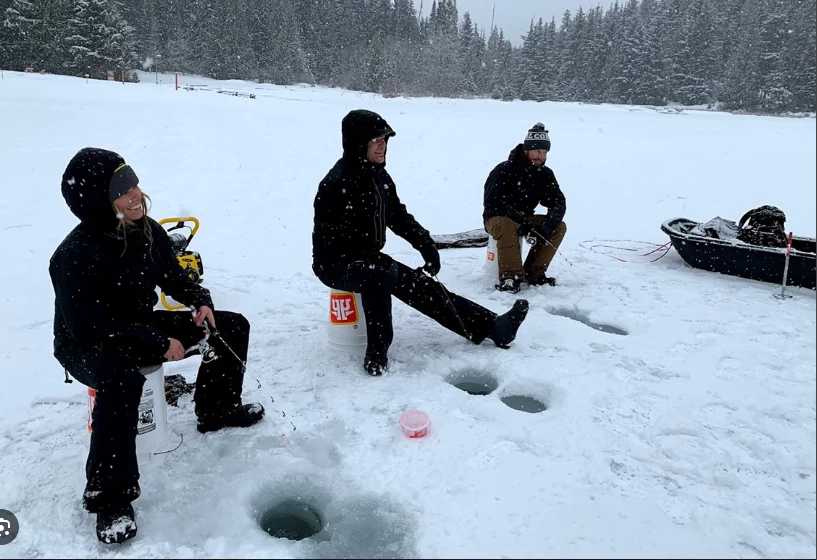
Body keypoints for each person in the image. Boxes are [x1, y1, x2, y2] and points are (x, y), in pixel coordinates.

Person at [49, 147, 265, 544]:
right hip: (86, 342)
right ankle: (110, 498)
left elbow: (172, 275)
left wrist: (200, 300)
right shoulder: (73, 255)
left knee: (231, 327)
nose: (135, 195)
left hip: (138, 323)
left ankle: (217, 411)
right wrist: (157, 340)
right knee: (121, 381)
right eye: (121, 189)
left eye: (133, 182)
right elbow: (89, 326)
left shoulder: (147, 229)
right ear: (98, 200)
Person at [312, 109, 530, 376]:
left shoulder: (378, 176)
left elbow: (398, 216)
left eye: (385, 138)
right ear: (358, 142)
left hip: (368, 258)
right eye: (375, 138)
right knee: (378, 275)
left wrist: (426, 245)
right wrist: (373, 261)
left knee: (420, 285)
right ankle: (377, 352)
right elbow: (333, 243)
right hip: (335, 263)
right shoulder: (335, 185)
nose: (382, 144)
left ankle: (492, 327)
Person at [483, 122, 567, 294]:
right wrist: (521, 220)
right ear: (527, 150)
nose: (541, 156)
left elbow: (558, 203)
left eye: (544, 153)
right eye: (537, 151)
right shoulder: (504, 170)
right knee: (507, 225)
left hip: (525, 219)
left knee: (559, 226)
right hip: (496, 218)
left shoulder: (545, 174)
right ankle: (510, 277)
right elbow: (494, 204)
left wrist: (546, 228)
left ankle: (534, 274)